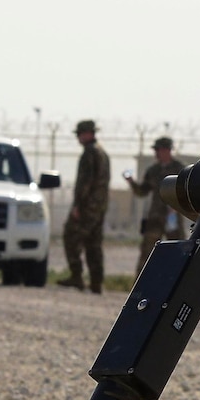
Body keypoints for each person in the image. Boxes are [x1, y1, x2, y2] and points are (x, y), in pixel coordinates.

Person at [60, 119, 110, 292]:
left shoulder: (89, 153)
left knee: (71, 236)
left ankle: (77, 275)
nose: (78, 138)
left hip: (88, 206)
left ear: (88, 134)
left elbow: (85, 182)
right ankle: (96, 282)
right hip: (99, 206)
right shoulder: (102, 152)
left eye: (80, 134)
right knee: (93, 243)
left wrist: (78, 206)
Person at [125, 136, 184, 272]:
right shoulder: (153, 170)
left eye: (159, 150)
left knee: (177, 252)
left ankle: (177, 286)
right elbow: (142, 192)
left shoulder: (179, 169)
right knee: (147, 252)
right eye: (155, 150)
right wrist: (131, 182)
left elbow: (185, 192)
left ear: (167, 150)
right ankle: (140, 287)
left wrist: (178, 207)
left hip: (172, 217)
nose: (156, 153)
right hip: (155, 217)